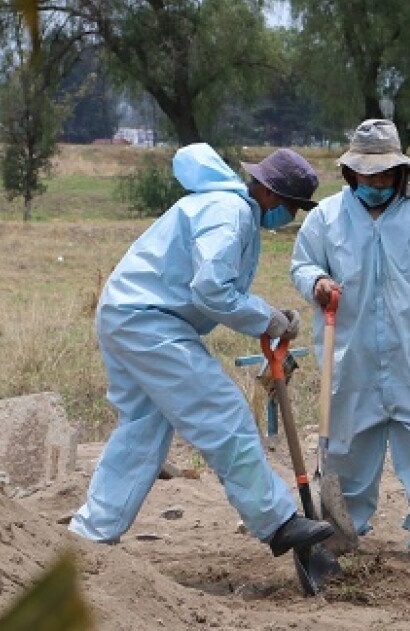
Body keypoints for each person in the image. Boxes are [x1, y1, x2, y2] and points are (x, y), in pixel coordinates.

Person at [69, 144, 334, 558]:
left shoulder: (222, 207)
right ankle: (278, 522)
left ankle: (90, 535)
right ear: (269, 193)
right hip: (149, 321)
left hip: (126, 313)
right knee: (222, 412)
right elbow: (211, 289)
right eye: (292, 207)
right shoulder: (229, 213)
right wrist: (266, 319)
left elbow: (216, 285)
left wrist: (268, 314)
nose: (291, 218)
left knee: (142, 428)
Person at [289, 119, 410, 561]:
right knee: (347, 444)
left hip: (408, 350)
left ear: (401, 173)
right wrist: (318, 282)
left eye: (386, 175)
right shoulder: (327, 217)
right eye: (369, 176)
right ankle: (345, 530)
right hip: (348, 350)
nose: (378, 183)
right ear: (352, 174)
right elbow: (302, 264)